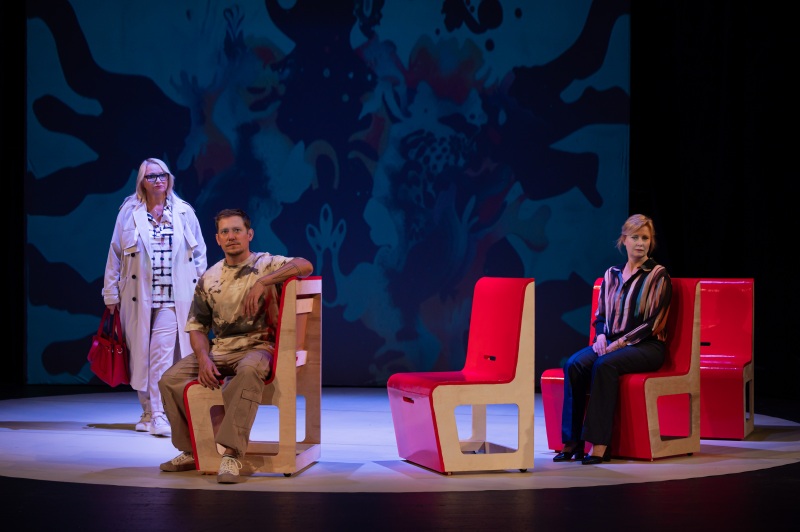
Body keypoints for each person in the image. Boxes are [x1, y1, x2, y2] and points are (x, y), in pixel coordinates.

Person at [157, 208, 314, 483]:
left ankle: (231, 453)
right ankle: (192, 450)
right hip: (220, 350)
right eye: (225, 232)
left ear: (249, 234)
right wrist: (203, 359)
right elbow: (197, 327)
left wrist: (264, 282)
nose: (231, 236)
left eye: (237, 230)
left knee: (248, 371)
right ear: (217, 239)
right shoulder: (209, 277)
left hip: (259, 347)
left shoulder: (266, 264)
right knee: (169, 380)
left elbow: (305, 265)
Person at [554, 214, 672, 465]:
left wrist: (618, 344)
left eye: (645, 238)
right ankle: (572, 442)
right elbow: (601, 316)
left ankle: (599, 445)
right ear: (624, 240)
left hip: (647, 345)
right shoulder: (611, 274)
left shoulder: (658, 275)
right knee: (574, 364)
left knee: (604, 364)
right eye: (635, 237)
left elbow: (653, 323)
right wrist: (600, 336)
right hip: (612, 341)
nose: (640, 243)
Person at [103, 158, 207, 437]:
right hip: (137, 297)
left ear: (169, 178)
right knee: (140, 357)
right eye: (151, 176)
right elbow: (115, 253)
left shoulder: (183, 212)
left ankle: (159, 413)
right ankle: (147, 412)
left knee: (161, 355)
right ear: (142, 182)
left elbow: (199, 254)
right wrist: (110, 293)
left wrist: (201, 292)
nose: (158, 180)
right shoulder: (129, 212)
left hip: (172, 298)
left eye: (162, 175)